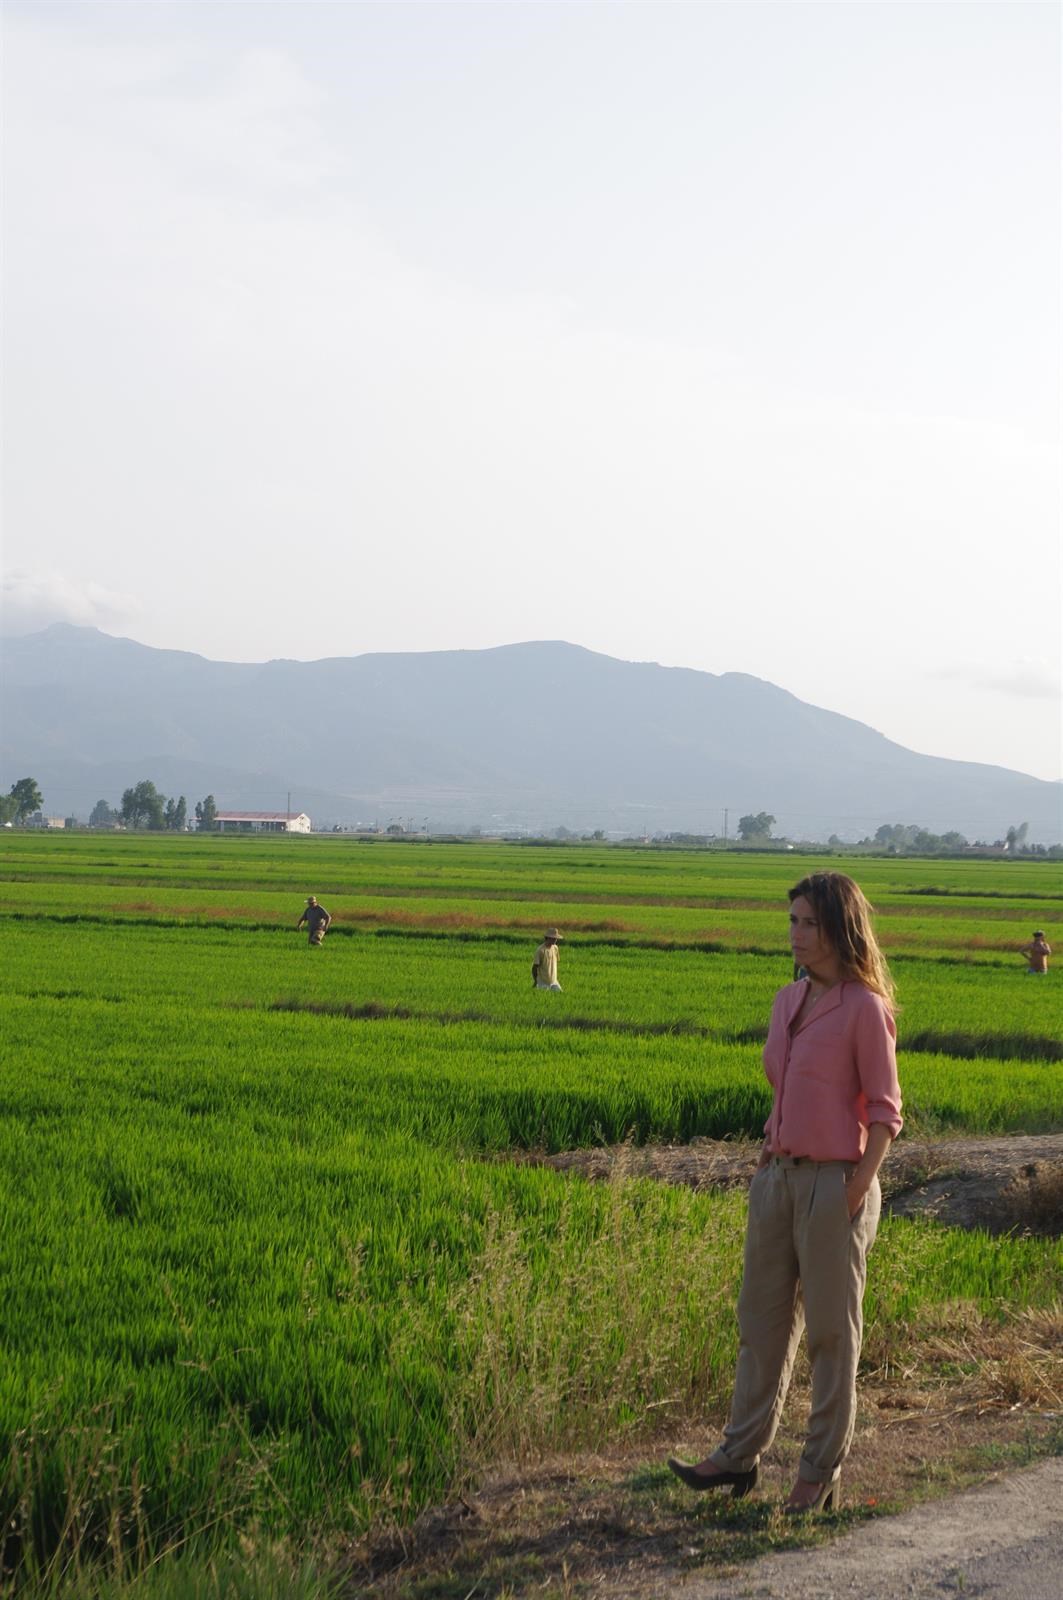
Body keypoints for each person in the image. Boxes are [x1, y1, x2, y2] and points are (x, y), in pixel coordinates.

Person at [668, 871, 902, 1513]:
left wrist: (856, 1187)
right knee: (761, 1323)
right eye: (792, 922)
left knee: (832, 1333)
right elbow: (784, 1087)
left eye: (808, 922)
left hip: (835, 1183)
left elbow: (885, 1112)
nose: (796, 934)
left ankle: (819, 1471)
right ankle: (738, 1457)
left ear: (838, 927)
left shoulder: (864, 1006)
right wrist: (766, 1156)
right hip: (777, 1177)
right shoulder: (785, 1001)